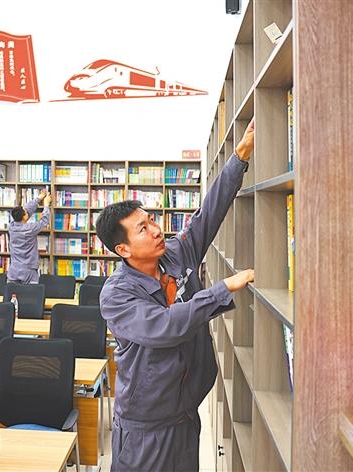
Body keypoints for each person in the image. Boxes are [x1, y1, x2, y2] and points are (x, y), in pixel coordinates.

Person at [95, 119, 256, 471]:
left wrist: (240, 158)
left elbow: (207, 216)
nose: (156, 230)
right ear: (123, 249)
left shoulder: (175, 254)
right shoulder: (116, 295)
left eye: (152, 220)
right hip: (146, 426)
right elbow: (165, 327)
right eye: (143, 228)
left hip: (185, 412)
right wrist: (222, 290)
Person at [7, 189, 51, 284]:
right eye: (25, 213)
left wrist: (39, 198)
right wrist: (46, 205)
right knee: (31, 293)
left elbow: (27, 210)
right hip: (28, 271)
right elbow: (44, 220)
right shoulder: (30, 229)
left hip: (13, 270)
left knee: (12, 293)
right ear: (24, 217)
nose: (27, 211)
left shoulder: (11, 227)